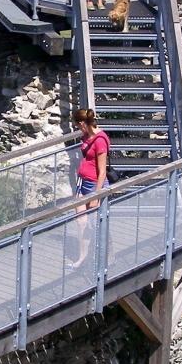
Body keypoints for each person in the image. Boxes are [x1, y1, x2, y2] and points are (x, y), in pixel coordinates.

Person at [69, 108, 110, 268]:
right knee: (81, 222)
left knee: (96, 223)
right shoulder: (86, 135)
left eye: (78, 127)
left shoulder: (100, 141)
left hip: (94, 185)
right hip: (83, 183)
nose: (79, 130)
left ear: (82, 124)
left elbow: (102, 172)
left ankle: (103, 258)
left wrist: (97, 195)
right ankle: (83, 257)